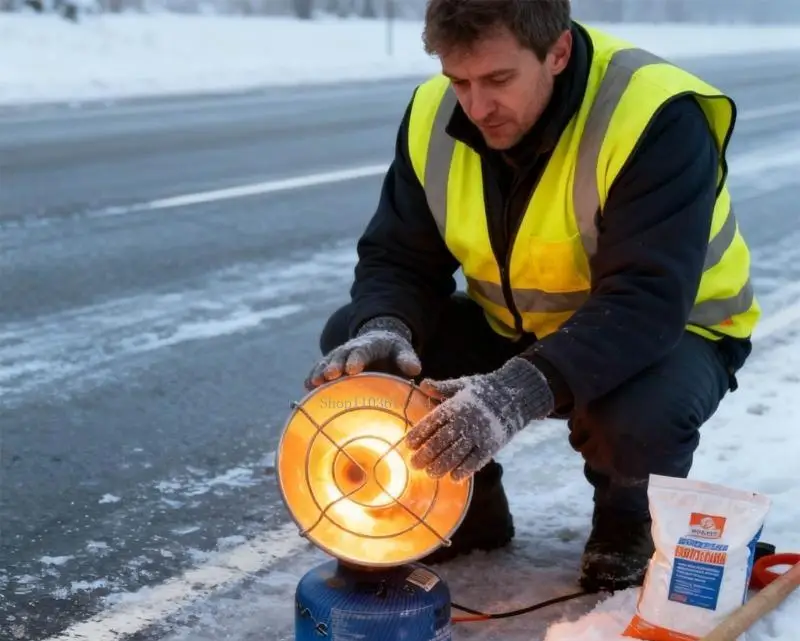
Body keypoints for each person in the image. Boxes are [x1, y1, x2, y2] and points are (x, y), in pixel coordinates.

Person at [304, 0, 760, 593]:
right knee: (361, 342)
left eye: (498, 79)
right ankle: (464, 508)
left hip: (671, 335)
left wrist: (515, 392)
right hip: (516, 324)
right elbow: (400, 257)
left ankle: (626, 523)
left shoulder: (654, 116)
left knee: (637, 416)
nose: (477, 106)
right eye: (459, 81)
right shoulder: (433, 115)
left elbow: (645, 301)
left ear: (558, 52)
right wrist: (385, 324)